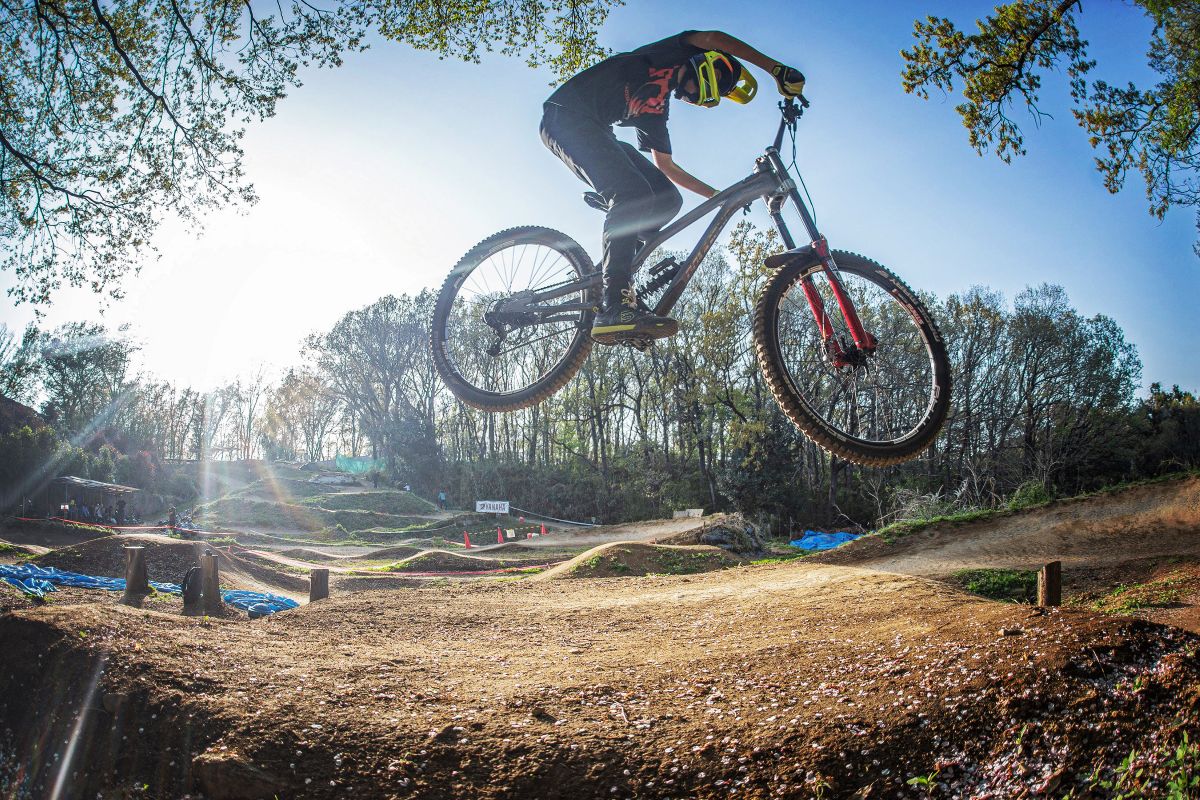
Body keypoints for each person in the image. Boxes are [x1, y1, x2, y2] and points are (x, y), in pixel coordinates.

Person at [540, 30, 805, 343]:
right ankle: (614, 304)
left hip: (597, 132)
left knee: (668, 199)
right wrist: (775, 69)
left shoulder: (656, 110)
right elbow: (713, 38)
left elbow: (667, 166)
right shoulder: (668, 56)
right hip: (565, 118)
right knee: (631, 194)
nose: (697, 99)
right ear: (710, 69)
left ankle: (612, 273)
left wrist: (721, 197)